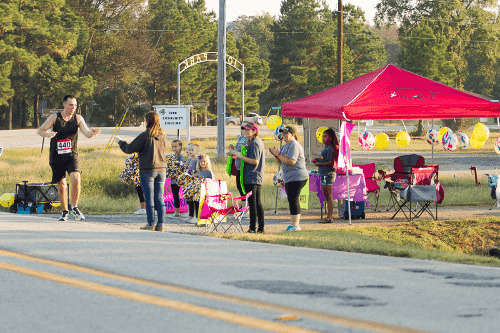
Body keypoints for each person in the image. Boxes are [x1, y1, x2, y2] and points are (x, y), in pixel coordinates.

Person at [37, 95, 101, 221]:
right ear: (64, 104)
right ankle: (64, 211)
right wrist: (48, 134)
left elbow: (87, 133)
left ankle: (74, 207)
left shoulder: (78, 118)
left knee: (76, 178)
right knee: (61, 184)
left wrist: (92, 133)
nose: (73, 108)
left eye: (75, 105)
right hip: (56, 155)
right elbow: (40, 130)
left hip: (71, 154)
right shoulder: (55, 117)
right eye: (71, 105)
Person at [115, 112, 167, 232]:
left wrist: (120, 142)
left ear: (147, 121)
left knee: (149, 197)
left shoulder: (145, 135)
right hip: (162, 169)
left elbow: (129, 148)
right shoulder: (163, 135)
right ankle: (161, 224)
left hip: (148, 170)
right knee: (160, 198)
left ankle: (151, 223)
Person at [269, 125, 308, 232]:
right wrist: (275, 155)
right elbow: (281, 162)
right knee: (291, 199)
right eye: (283, 133)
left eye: (286, 133)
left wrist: (278, 154)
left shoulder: (294, 145)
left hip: (297, 176)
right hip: (289, 177)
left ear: (292, 134)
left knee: (293, 199)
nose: (284, 135)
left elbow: (291, 161)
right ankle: (294, 224)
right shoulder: (285, 146)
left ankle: (295, 225)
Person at [231, 122, 265, 233]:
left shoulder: (255, 143)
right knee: (257, 202)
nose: (245, 132)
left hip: (253, 176)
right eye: (244, 130)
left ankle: (252, 228)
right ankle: (260, 228)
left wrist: (241, 156)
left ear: (255, 131)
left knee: (253, 203)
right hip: (253, 176)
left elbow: (255, 161)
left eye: (248, 130)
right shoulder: (253, 142)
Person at [313, 128, 339, 223]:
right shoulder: (326, 148)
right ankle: (328, 216)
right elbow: (325, 160)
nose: (323, 138)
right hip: (324, 174)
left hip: (328, 174)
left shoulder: (330, 149)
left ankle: (329, 217)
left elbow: (331, 163)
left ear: (331, 138)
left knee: (329, 196)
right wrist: (318, 160)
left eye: (325, 136)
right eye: (322, 136)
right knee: (326, 196)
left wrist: (319, 164)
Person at [228, 124, 249, 196]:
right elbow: (237, 150)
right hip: (238, 165)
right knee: (239, 186)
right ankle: (244, 202)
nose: (243, 131)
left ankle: (246, 203)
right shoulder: (241, 138)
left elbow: (245, 151)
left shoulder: (248, 139)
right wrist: (232, 149)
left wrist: (235, 152)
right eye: (242, 129)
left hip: (244, 166)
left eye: (245, 129)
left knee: (243, 186)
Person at [184, 141, 201, 224]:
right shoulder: (190, 159)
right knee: (190, 199)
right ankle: (191, 216)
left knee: (195, 200)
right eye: (189, 149)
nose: (190, 151)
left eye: (192, 150)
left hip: (195, 182)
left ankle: (196, 216)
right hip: (189, 182)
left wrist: (192, 175)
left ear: (197, 151)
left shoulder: (197, 160)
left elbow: (199, 172)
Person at [169, 139, 186, 218]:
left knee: (180, 195)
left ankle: (179, 212)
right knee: (175, 195)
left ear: (180, 147)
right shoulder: (173, 155)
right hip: (173, 179)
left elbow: (181, 167)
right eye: (172, 146)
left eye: (175, 146)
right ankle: (177, 212)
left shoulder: (180, 156)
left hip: (178, 179)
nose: (174, 148)